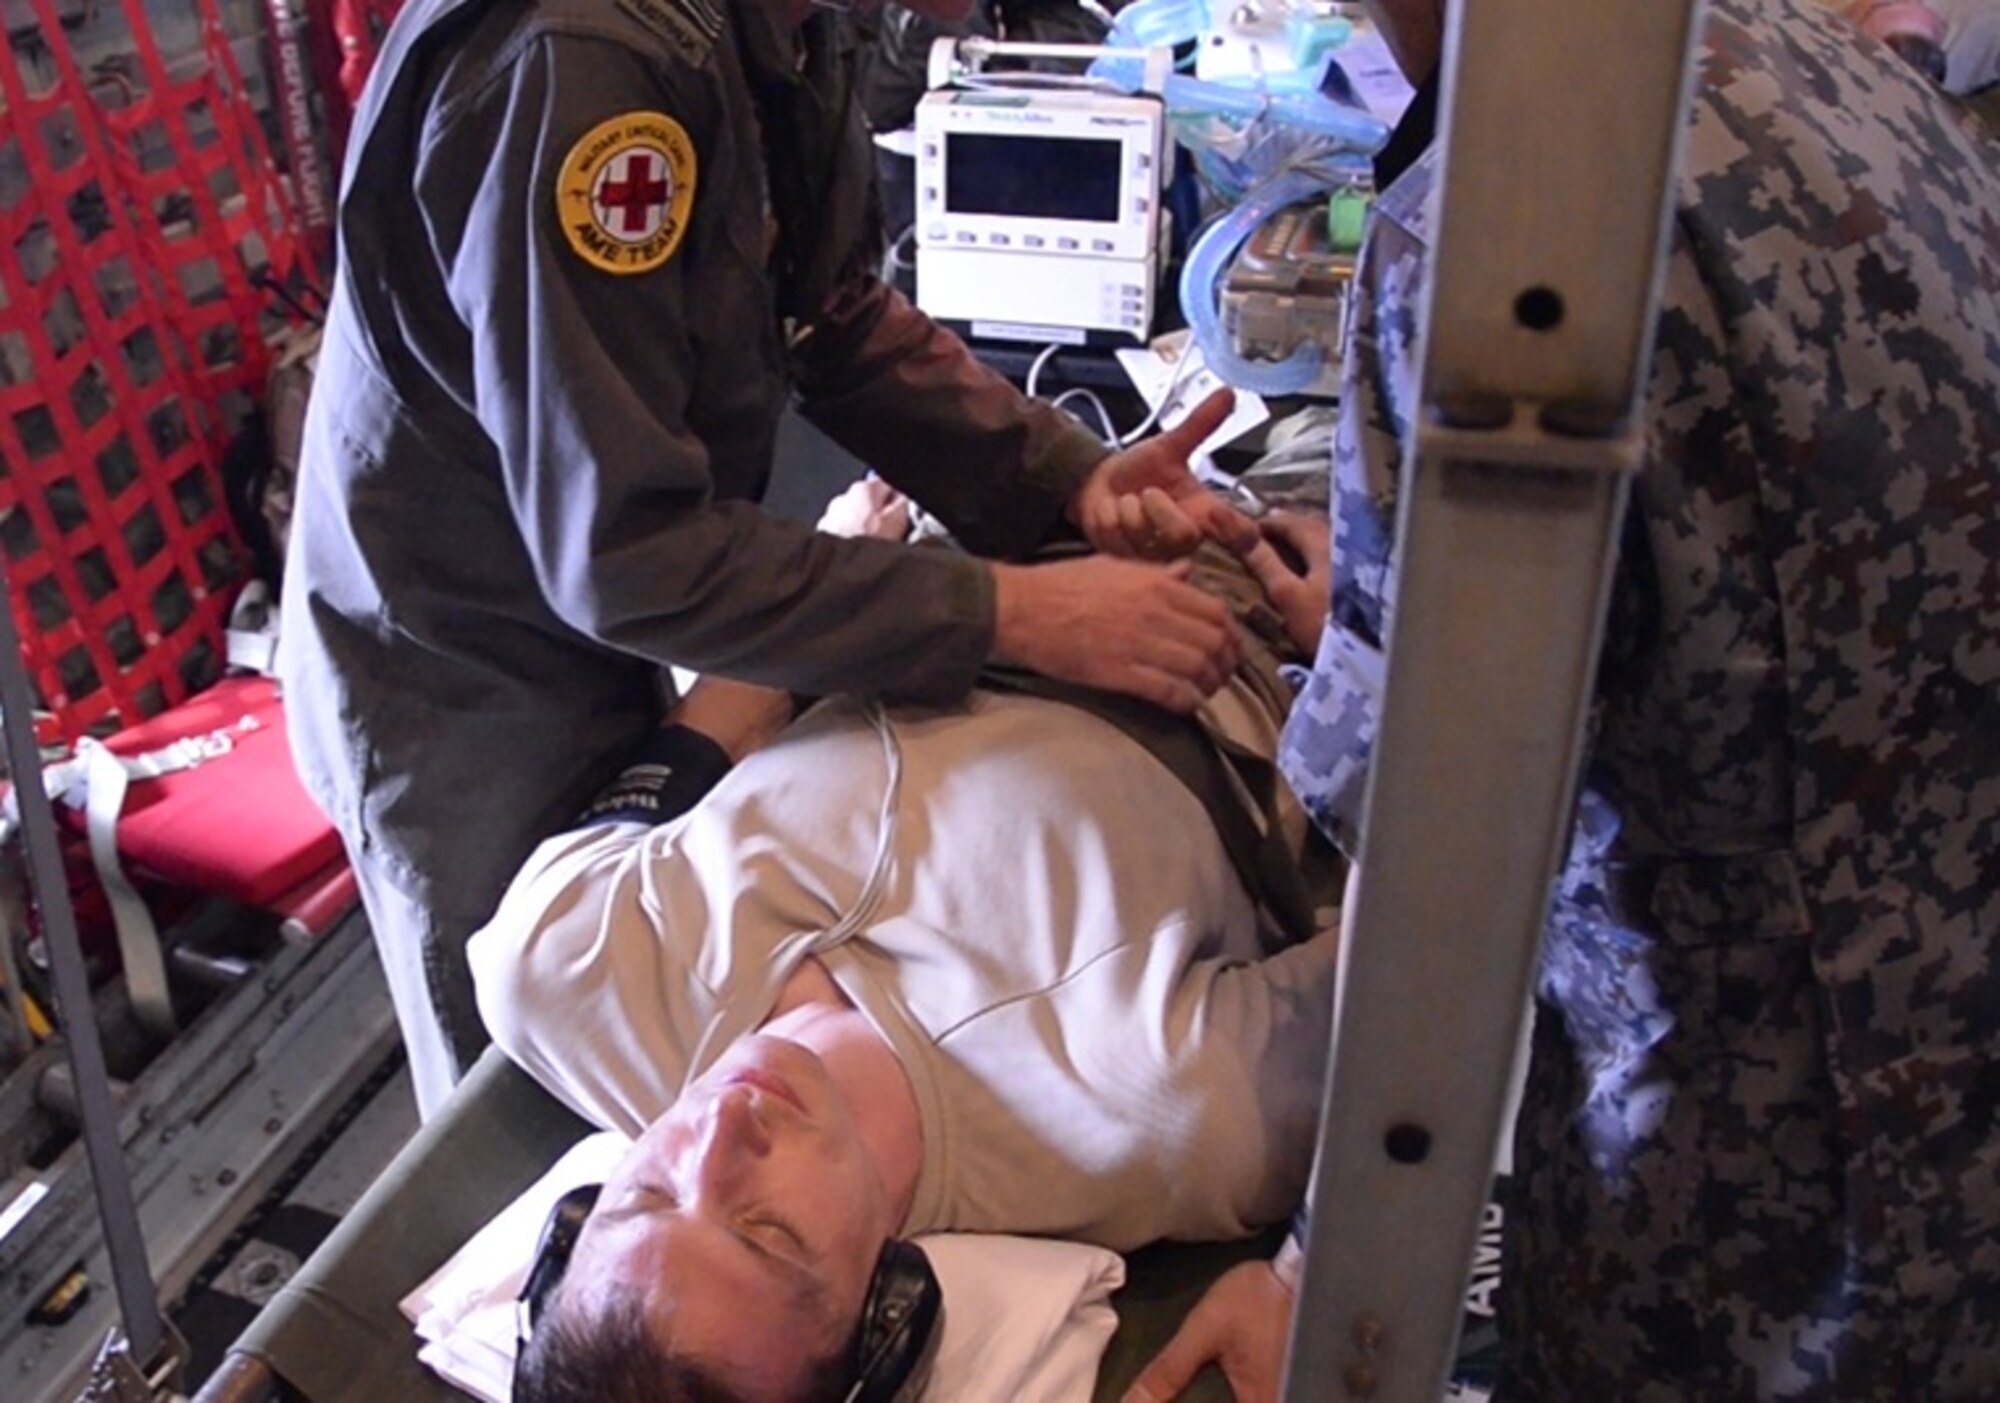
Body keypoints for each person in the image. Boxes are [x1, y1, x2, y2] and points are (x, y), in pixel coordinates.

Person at [1132, 0, 2000, 1399]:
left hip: (1757, 1187)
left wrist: (1317, 1274)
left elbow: (1441, 877)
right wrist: (1406, 624)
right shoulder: (1833, 72)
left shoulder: (1504, 227)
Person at [277, 0, 1254, 1117]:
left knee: (641, 966)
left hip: (586, 612)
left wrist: (1060, 475)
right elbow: (628, 558)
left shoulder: (783, 23)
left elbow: (823, 312)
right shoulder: (583, 75)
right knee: (537, 1071)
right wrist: (1009, 613)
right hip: (458, 676)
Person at [466, 498, 1341, 1400]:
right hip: (1246, 581)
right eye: (766, 1230)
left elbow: (689, 748)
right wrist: (1374, 669)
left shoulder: (554, 966)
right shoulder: (1159, 1102)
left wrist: (840, 559)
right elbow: (1454, 975)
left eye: (645, 1195)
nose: (721, 1128)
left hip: (942, 538)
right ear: (889, 1312)